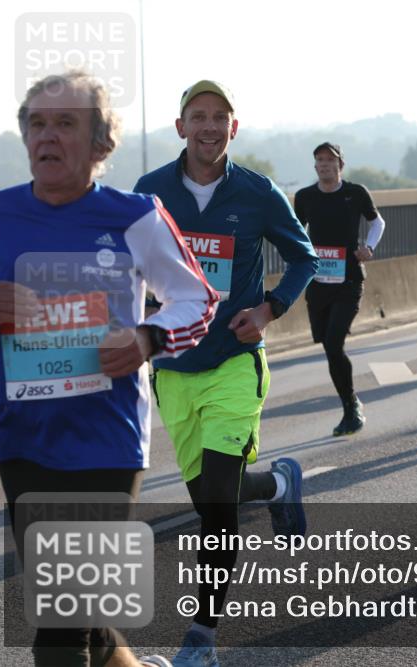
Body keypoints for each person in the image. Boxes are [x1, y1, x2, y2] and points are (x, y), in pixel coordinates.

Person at [0, 71, 216, 667]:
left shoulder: (136, 215)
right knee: (79, 611)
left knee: (61, 621)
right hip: (23, 442)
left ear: (100, 145)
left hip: (106, 441)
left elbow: (196, 298)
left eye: (66, 123)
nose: (48, 136)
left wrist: (146, 335)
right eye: (37, 123)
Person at [134, 80, 319, 666]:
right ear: (181, 126)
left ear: (233, 129)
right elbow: (123, 262)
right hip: (174, 368)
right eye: (198, 117)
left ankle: (201, 641)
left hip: (235, 365)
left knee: (216, 503)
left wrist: (268, 310)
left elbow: (304, 256)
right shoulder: (150, 192)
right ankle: (279, 484)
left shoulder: (258, 194)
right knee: (214, 496)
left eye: (220, 117)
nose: (209, 127)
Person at [294, 142, 386, 436]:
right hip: (319, 282)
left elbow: (377, 222)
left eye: (330, 160)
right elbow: (296, 232)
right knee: (326, 343)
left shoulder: (355, 193)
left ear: (340, 165)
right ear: (315, 166)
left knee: (334, 342)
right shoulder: (306, 197)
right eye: (319, 160)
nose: (324, 165)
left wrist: (368, 247)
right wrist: (300, 257)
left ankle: (350, 408)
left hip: (349, 279)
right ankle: (351, 401)